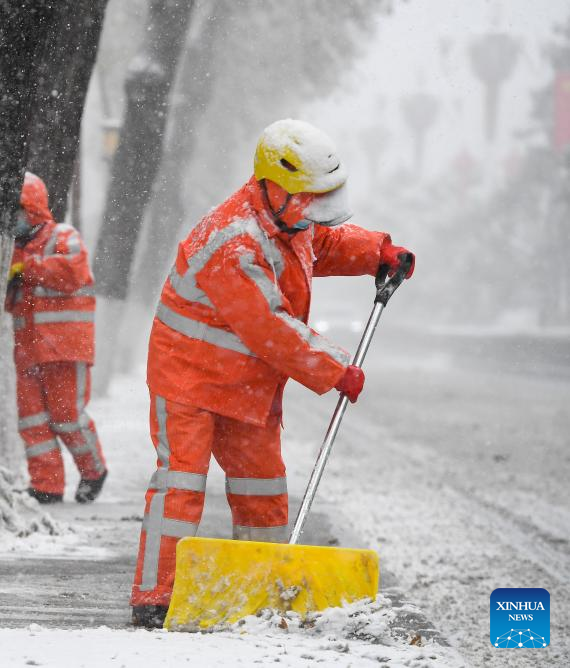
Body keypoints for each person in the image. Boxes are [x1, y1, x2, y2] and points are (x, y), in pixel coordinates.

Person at [129, 120, 415, 628]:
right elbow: (271, 328)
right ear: (275, 186)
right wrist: (335, 369)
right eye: (308, 198)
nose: (313, 212)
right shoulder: (232, 242)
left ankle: (260, 589)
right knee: (181, 485)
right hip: (188, 378)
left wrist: (377, 252)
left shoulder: (290, 222)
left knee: (262, 487)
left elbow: (322, 244)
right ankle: (155, 595)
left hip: (244, 383)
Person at [5, 172, 109, 504]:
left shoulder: (64, 236)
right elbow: (11, 302)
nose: (15, 220)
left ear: (32, 209)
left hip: (65, 348)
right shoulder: (13, 252)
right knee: (33, 421)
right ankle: (46, 485)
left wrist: (27, 266)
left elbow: (71, 273)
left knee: (68, 418)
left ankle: (93, 470)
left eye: (18, 211)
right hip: (28, 349)